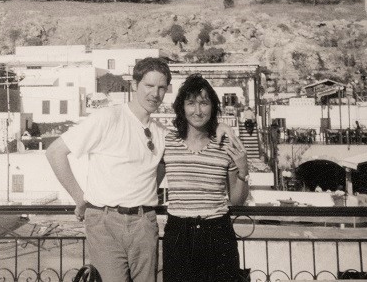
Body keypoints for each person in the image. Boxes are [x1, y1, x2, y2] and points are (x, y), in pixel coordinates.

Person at [46, 58, 241, 282]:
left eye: (161, 88)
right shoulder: (108, 117)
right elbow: (55, 152)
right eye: (149, 86)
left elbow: (191, 133)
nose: (155, 94)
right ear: (134, 84)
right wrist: (79, 199)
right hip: (105, 223)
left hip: (144, 223)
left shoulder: (162, 134)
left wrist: (219, 125)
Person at [162, 74, 249, 282]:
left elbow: (237, 200)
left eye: (204, 103)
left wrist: (243, 170)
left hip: (217, 232)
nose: (198, 111)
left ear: (213, 107)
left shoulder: (224, 145)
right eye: (191, 103)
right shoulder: (168, 142)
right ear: (182, 107)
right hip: (178, 235)